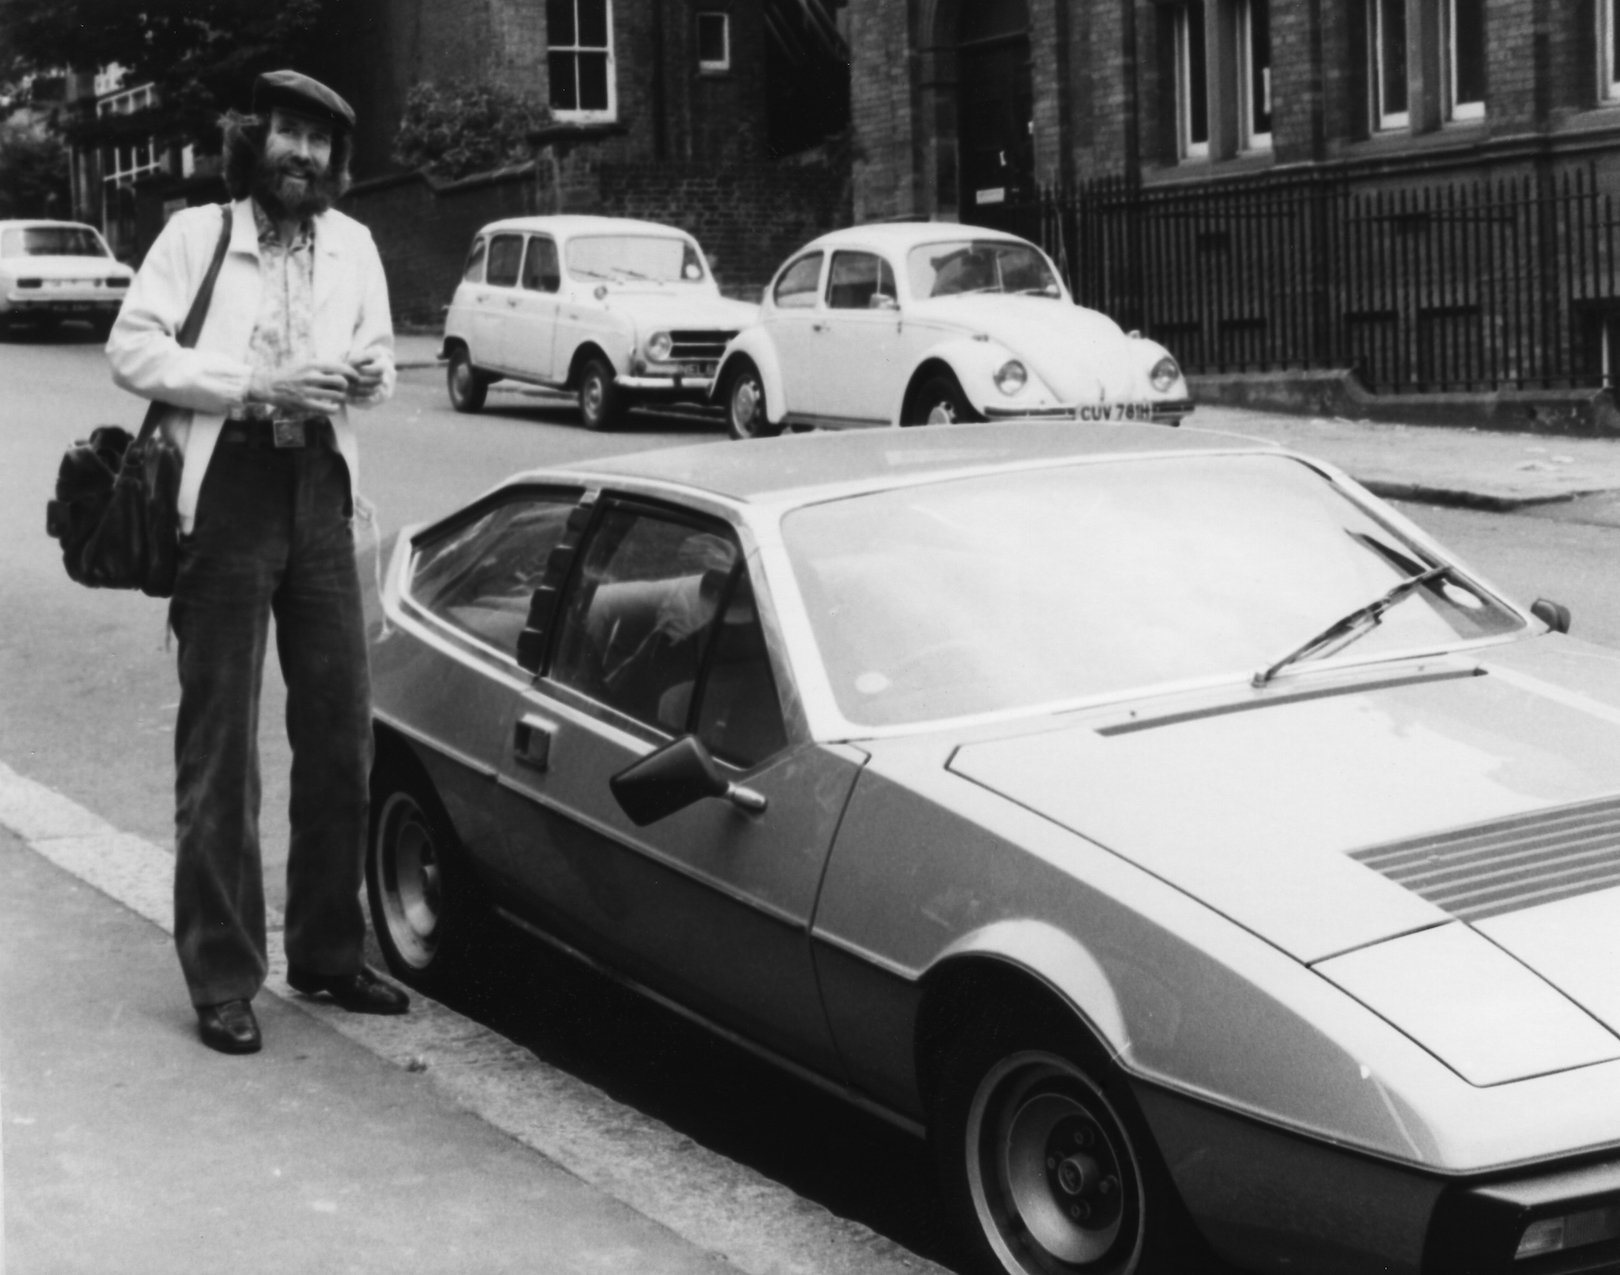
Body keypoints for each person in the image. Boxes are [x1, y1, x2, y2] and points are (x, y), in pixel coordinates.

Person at [107, 70, 406, 1055]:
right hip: (228, 490)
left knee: (339, 738)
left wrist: (365, 372)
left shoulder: (353, 245)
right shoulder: (198, 236)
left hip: (321, 490)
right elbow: (132, 348)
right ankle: (225, 975)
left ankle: (326, 952)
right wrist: (249, 386)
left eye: (321, 141)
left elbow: (385, 359)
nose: (304, 155)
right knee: (221, 748)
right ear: (255, 140)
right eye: (288, 133)